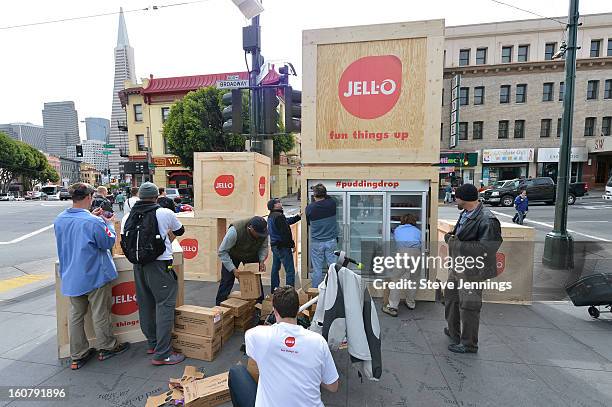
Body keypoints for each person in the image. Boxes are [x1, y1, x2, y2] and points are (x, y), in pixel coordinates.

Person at [53, 183, 130, 370]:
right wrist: (108, 224)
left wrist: (94, 219)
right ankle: (107, 347)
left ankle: (78, 355)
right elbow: (107, 242)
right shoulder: (94, 222)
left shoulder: (60, 219)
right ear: (88, 197)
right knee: (100, 312)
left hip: (71, 274)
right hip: (94, 273)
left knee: (76, 315)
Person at [228, 286, 339, 407]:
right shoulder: (318, 342)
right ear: (298, 310)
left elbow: (252, 347)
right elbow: (333, 386)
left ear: (275, 311)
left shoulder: (257, 336)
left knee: (236, 371)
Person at [121, 182, 186, 365]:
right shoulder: (165, 213)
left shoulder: (128, 216)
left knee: (145, 304)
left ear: (139, 196)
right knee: (164, 304)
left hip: (138, 265)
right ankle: (163, 353)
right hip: (160, 265)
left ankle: (152, 343)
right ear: (157, 196)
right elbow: (180, 230)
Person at [444, 184, 502, 354]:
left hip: (473, 272)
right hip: (458, 267)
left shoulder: (487, 219)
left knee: (469, 306)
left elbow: (488, 248)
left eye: (457, 197)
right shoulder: (466, 213)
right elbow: (460, 235)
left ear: (464, 199)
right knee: (451, 299)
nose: (455, 199)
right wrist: (452, 237)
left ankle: (469, 343)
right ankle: (454, 332)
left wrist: (457, 244)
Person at [215, 216, 269, 305]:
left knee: (255, 279)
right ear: (250, 228)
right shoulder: (234, 231)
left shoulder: (263, 232)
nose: (260, 236)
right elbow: (222, 251)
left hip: (251, 254)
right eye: (257, 233)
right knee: (226, 281)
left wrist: (262, 260)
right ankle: (219, 308)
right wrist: (233, 269)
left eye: (261, 234)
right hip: (233, 254)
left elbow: (264, 247)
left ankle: (258, 308)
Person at [382, 214, 422, 317]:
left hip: (402, 252)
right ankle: (410, 303)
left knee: (396, 280)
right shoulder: (418, 231)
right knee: (414, 278)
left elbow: (393, 235)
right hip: (416, 253)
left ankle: (393, 306)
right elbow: (421, 243)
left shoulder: (398, 229)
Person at [305, 184, 337, 288]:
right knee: (333, 267)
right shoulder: (332, 203)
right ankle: (335, 288)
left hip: (317, 242)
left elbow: (309, 223)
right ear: (325, 193)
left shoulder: (310, 208)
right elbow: (329, 198)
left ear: (314, 195)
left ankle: (316, 293)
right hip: (331, 241)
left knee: (317, 269)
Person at [267, 198, 301, 293]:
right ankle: (289, 293)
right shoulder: (279, 216)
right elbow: (285, 232)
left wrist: (298, 217)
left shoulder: (272, 216)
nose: (280, 203)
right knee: (290, 271)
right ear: (274, 206)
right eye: (277, 203)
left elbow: (286, 222)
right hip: (283, 247)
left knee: (275, 268)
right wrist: (292, 245)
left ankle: (274, 290)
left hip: (275, 247)